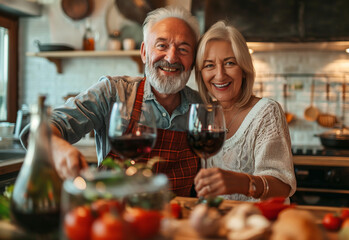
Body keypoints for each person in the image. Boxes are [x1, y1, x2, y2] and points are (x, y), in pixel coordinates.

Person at [20, 6, 202, 197]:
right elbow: (39, 130)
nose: (171, 57)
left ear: (193, 59)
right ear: (144, 52)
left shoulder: (200, 106)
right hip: (114, 217)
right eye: (162, 45)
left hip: (180, 221)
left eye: (183, 49)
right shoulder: (112, 92)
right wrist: (57, 149)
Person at [193, 21, 296, 201]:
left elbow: (283, 187)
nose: (220, 75)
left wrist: (242, 183)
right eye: (209, 65)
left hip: (259, 223)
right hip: (217, 223)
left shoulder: (266, 112)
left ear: (244, 69)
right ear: (201, 74)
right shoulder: (204, 114)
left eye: (230, 63)